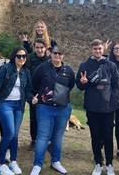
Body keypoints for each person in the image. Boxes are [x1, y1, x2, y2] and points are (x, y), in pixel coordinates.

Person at [0, 46, 34, 175]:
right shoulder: (5, 69)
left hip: (18, 106)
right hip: (5, 104)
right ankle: (1, 165)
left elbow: (27, 91)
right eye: (19, 56)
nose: (22, 58)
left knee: (15, 134)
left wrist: (32, 99)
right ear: (14, 57)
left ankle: (13, 162)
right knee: (9, 132)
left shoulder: (26, 72)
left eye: (24, 56)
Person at [77, 39, 119, 175]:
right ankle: (97, 163)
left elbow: (117, 86)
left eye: (100, 49)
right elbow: (79, 86)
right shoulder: (84, 65)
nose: (98, 51)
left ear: (103, 50)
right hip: (92, 107)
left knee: (108, 136)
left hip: (108, 108)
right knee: (95, 136)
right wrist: (83, 82)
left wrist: (112, 100)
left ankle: (109, 165)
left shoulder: (111, 65)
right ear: (91, 50)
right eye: (95, 49)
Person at [30, 45, 75, 175]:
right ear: (50, 54)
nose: (57, 56)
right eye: (55, 53)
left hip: (62, 108)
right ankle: (37, 164)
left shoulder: (68, 70)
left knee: (58, 137)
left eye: (60, 54)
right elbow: (35, 83)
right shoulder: (42, 68)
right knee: (43, 137)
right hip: (45, 107)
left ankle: (56, 162)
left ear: (63, 55)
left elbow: (70, 85)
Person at [26, 38, 51, 151]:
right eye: (37, 48)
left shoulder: (49, 59)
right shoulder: (30, 58)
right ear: (34, 48)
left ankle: (48, 141)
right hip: (34, 93)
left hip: (47, 93)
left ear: (45, 48)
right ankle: (34, 140)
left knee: (47, 118)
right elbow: (26, 74)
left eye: (41, 48)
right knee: (34, 118)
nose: (39, 50)